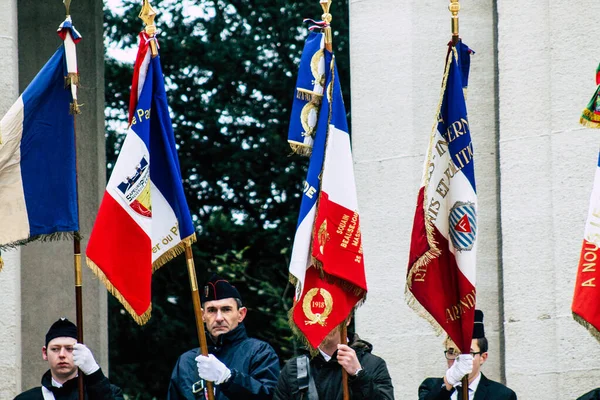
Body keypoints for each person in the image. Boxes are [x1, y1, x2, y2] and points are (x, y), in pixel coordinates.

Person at [167, 273, 280, 399]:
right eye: (212, 310)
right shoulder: (186, 362)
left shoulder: (259, 353)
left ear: (241, 314)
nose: (219, 318)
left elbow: (270, 396)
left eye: (226, 309)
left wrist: (228, 378)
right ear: (202, 315)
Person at [273, 319, 395, 399]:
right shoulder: (293, 369)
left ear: (347, 319)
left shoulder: (372, 364)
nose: (322, 322)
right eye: (317, 314)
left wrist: (359, 375)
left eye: (330, 315)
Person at [14, 317, 123, 400]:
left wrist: (94, 373)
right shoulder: (26, 398)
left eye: (69, 348)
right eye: (55, 349)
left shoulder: (107, 393)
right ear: (45, 353)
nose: (62, 354)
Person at [419, 310, 516, 400]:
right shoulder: (431, 386)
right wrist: (449, 381)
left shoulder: (502, 395)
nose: (458, 359)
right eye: (452, 352)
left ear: (483, 357)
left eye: (467, 353)